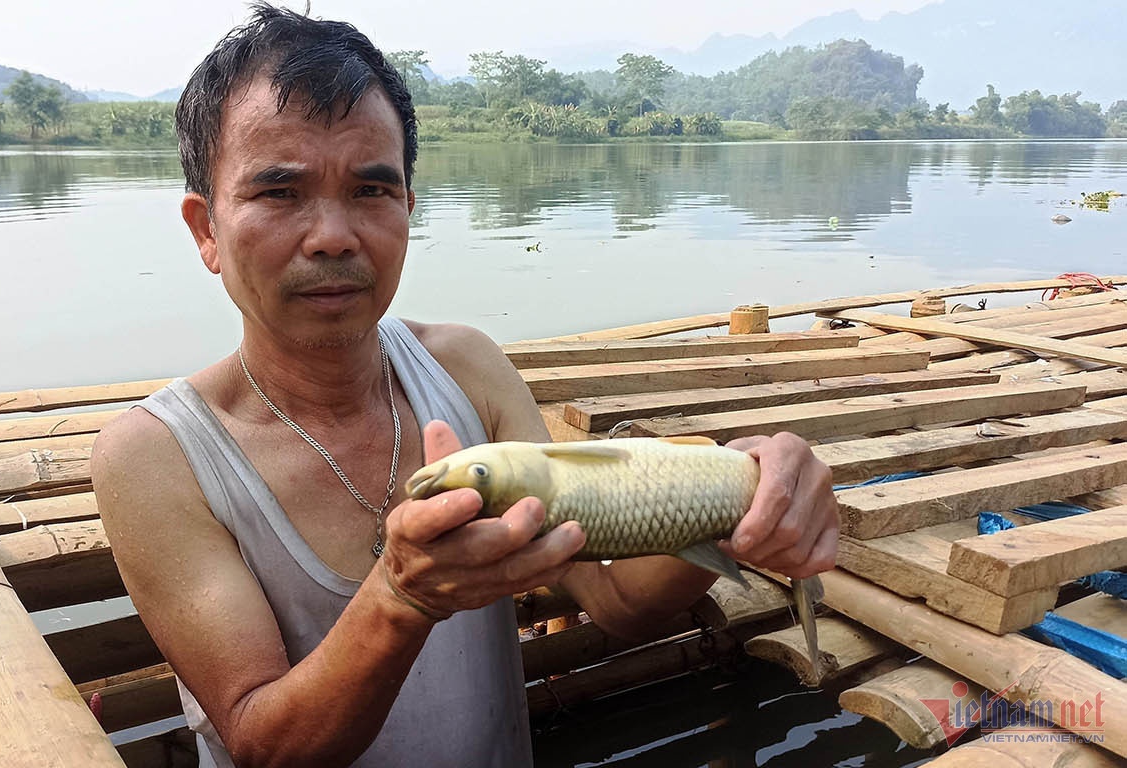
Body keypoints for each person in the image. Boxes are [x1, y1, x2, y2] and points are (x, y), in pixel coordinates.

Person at [92, 5, 839, 767]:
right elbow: (263, 745)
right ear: (206, 230)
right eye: (279, 193)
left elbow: (616, 602)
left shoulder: (467, 369)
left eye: (371, 191)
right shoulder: (156, 458)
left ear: (409, 210)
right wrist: (402, 597)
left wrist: (747, 494)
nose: (333, 235)